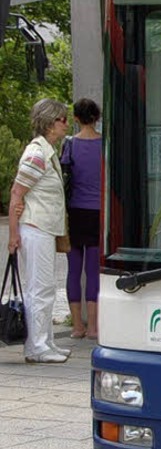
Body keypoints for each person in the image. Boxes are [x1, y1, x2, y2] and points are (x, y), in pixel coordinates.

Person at [8, 98, 71, 364]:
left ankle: (46, 342)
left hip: (43, 228)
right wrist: (13, 235)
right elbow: (16, 193)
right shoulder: (37, 154)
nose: (66, 124)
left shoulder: (47, 151)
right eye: (62, 119)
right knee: (39, 288)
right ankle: (36, 346)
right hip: (36, 228)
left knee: (45, 286)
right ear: (50, 123)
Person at [60, 98, 102, 339]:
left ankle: (77, 326)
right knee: (93, 271)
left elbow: (64, 176)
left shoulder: (70, 146)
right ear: (96, 117)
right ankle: (94, 328)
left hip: (74, 212)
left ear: (75, 118)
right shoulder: (104, 145)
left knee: (73, 270)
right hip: (97, 213)